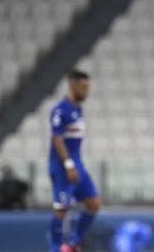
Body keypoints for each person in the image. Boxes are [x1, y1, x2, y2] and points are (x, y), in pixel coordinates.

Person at [48, 69, 101, 252]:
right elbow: (58, 140)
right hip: (64, 167)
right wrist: (68, 164)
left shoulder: (78, 110)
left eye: (88, 87)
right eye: (83, 87)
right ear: (73, 85)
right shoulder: (60, 110)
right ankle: (56, 248)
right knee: (61, 209)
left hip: (78, 165)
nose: (86, 91)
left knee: (93, 203)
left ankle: (73, 243)